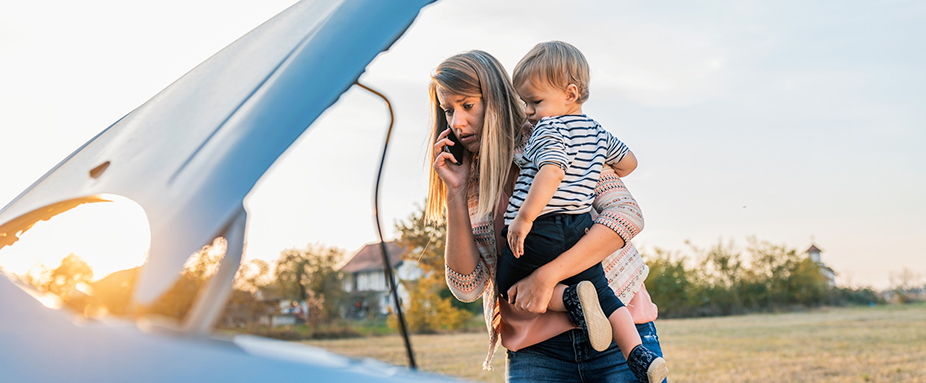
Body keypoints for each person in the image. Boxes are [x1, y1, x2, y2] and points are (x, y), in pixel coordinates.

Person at [426, 50, 665, 382]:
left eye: (467, 105)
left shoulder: (554, 134)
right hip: (537, 353)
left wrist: (547, 278)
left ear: (496, 99)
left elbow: (626, 214)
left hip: (619, 335)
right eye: (449, 110)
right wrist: (456, 191)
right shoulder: (469, 179)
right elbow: (467, 286)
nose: (457, 123)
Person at [495, 41, 666, 383]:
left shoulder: (547, 130)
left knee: (508, 284)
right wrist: (592, 166)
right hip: (580, 227)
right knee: (605, 294)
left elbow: (552, 170)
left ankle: (571, 298)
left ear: (570, 93)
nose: (528, 112)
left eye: (535, 102)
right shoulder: (597, 132)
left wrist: (524, 218)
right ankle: (638, 355)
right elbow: (629, 163)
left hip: (542, 228)